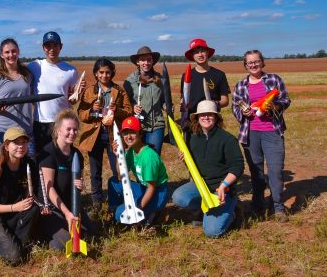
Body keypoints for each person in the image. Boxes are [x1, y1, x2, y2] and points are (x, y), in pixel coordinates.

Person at [232, 50, 291, 222]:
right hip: (250, 134)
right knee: (256, 172)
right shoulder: (240, 85)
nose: (253, 65)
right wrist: (244, 112)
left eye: (256, 61)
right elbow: (235, 108)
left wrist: (273, 107)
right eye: (249, 63)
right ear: (245, 65)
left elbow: (286, 100)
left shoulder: (274, 79)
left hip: (272, 131)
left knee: (275, 170)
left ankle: (278, 207)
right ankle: (258, 204)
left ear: (262, 62)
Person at [172, 100, 244, 237]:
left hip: (221, 189)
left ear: (216, 117)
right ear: (197, 118)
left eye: (210, 114)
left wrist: (224, 185)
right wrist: (185, 160)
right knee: (179, 197)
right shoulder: (192, 138)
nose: (206, 117)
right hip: (201, 186)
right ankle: (205, 210)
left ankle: (233, 211)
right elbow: (197, 165)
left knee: (212, 232)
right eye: (202, 115)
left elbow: (238, 165)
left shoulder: (227, 139)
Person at [77, 58, 133, 210]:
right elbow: (81, 114)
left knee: (118, 168)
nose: (104, 75)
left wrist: (117, 111)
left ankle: (118, 199)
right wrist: (92, 110)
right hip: (94, 135)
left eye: (108, 72)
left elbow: (129, 111)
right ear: (96, 73)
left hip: (113, 135)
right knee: (95, 170)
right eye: (101, 72)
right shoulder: (89, 91)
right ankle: (97, 201)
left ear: (112, 73)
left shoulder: (119, 90)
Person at [0, 127, 39, 266]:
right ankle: (2, 237)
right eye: (16, 143)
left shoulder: (29, 164)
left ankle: (13, 239)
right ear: (6, 145)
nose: (21, 146)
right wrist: (14, 207)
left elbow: (28, 193)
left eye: (24, 142)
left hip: (15, 210)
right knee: (15, 258)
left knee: (35, 208)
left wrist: (29, 200)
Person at [36, 109, 89, 251]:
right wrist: (66, 213)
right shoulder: (48, 153)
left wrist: (81, 185)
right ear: (58, 130)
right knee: (66, 242)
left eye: (75, 129)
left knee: (87, 233)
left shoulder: (77, 154)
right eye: (68, 129)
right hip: (51, 208)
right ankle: (42, 235)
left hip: (69, 204)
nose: (72, 133)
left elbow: (78, 183)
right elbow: (49, 189)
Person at [28, 31, 84, 153]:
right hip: (41, 123)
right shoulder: (34, 66)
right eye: (48, 46)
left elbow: (73, 100)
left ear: (61, 46)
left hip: (62, 123)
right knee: (42, 159)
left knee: (62, 157)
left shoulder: (70, 70)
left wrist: (78, 93)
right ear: (43, 47)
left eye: (55, 45)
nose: (51, 49)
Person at [108, 116, 169, 226]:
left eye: (132, 132)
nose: (129, 136)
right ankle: (114, 210)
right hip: (144, 188)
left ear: (140, 133)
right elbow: (120, 176)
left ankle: (155, 213)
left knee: (119, 214)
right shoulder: (131, 152)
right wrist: (118, 155)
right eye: (125, 133)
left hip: (157, 193)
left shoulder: (148, 157)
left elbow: (152, 187)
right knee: (113, 182)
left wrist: (138, 209)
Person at [0, 38, 35, 156]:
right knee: (5, 169)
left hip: (25, 129)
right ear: (2, 55)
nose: (11, 55)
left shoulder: (27, 74)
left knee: (29, 166)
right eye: (7, 52)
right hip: (3, 130)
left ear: (18, 52)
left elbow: (33, 98)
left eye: (14, 51)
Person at [180, 39, 231, 137]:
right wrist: (182, 105)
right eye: (196, 52)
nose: (200, 55)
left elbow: (225, 101)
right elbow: (183, 99)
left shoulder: (219, 75)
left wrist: (213, 104)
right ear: (192, 56)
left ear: (207, 53)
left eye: (202, 51)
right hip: (192, 121)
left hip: (211, 121)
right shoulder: (186, 76)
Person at [123, 46, 166, 154]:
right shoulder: (129, 81)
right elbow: (125, 104)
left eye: (149, 59)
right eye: (142, 60)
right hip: (137, 127)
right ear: (137, 62)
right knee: (139, 158)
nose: (146, 63)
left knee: (153, 158)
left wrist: (167, 106)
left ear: (152, 61)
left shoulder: (160, 80)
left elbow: (163, 101)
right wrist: (133, 107)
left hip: (156, 126)